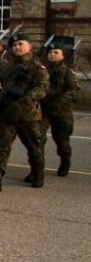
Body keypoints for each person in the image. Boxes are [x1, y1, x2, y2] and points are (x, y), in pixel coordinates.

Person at [0, 33, 50, 189]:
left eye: (20, 44)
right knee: (2, 147)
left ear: (30, 46)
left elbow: (42, 88)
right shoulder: (8, 66)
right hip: (7, 113)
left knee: (34, 147)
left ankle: (37, 174)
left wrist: (24, 101)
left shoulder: (37, 67)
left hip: (27, 115)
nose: (17, 47)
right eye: (14, 45)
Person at [41, 38, 81, 177]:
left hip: (61, 112)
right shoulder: (43, 70)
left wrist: (59, 101)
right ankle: (37, 168)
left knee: (62, 141)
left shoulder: (67, 72)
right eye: (50, 52)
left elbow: (73, 91)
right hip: (44, 111)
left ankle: (65, 162)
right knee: (37, 138)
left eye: (55, 52)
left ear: (63, 55)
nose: (52, 54)